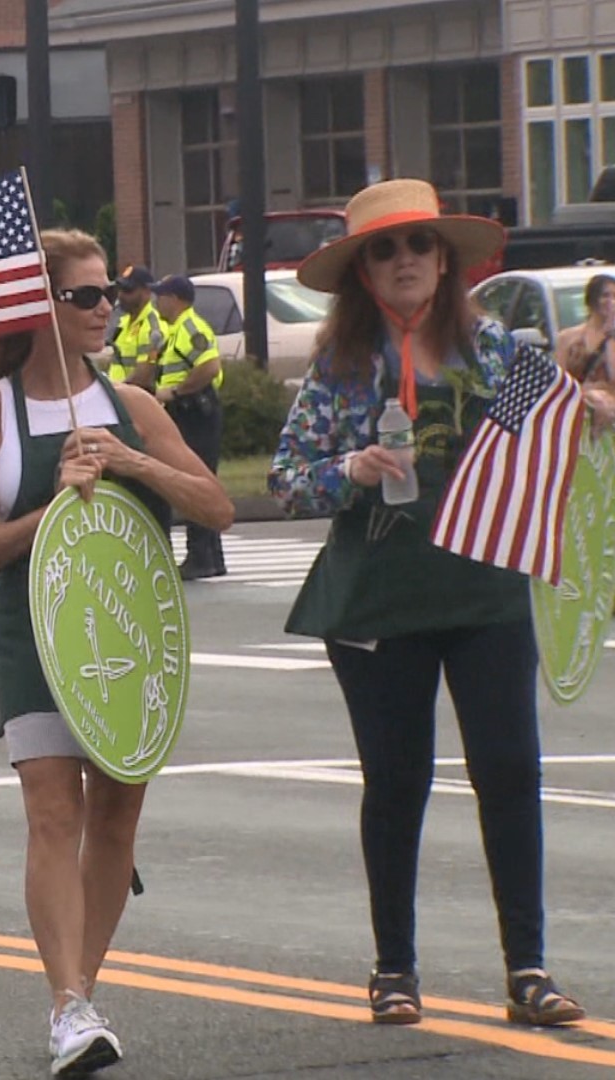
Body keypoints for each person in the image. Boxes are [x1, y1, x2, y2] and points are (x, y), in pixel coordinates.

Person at [271, 177, 608, 1030]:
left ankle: (527, 969)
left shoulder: (494, 348)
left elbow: (559, 425)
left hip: (487, 589)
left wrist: (595, 410)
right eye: (383, 251)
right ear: (363, 274)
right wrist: (347, 470)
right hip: (379, 600)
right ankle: (395, 970)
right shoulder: (341, 367)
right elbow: (285, 480)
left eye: (418, 246)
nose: (404, 261)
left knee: (510, 774)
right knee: (397, 783)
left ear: (446, 260)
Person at [0, 228, 232, 1077]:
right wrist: (50, 509)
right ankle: (67, 1004)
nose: (105, 307)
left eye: (107, 292)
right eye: (84, 295)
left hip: (128, 628)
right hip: (34, 632)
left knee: (116, 816)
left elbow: (216, 506)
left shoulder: (132, 407)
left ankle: (83, 989)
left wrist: (132, 465)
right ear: (39, 307)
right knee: (52, 811)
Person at [151, 274, 227, 579]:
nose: (157, 301)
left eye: (162, 295)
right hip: (186, 411)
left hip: (196, 410)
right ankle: (210, 556)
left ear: (176, 299)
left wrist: (177, 391)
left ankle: (202, 556)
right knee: (198, 475)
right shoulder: (175, 330)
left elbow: (210, 367)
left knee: (196, 477)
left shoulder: (190, 327)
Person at [107, 267, 165, 389]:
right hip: (122, 395)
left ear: (146, 292)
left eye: (128, 290)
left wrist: (115, 393)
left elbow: (143, 376)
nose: (121, 295)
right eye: (120, 289)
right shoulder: (124, 324)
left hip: (139, 399)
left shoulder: (152, 327)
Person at [554, 273, 615, 384]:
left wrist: (611, 334)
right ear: (592, 299)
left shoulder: (612, 337)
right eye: (605, 295)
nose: (611, 302)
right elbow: (559, 382)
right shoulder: (567, 337)